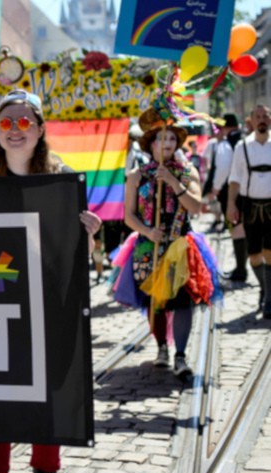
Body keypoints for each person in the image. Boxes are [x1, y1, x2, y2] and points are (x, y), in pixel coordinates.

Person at [0, 89, 101, 473]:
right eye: (6, 123)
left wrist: (89, 234)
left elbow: (75, 255)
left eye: (24, 122)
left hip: (49, 308)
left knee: (48, 403)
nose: (15, 130)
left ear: (41, 129)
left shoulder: (62, 182)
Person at [115, 106, 220, 375]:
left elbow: (195, 207)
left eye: (172, 138)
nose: (168, 143)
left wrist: (173, 181)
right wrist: (148, 231)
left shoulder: (187, 172)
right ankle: (162, 346)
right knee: (155, 300)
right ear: (151, 143)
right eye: (162, 138)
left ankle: (181, 356)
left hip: (181, 245)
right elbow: (128, 216)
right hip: (148, 246)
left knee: (183, 300)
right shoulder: (136, 176)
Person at [228, 104, 271, 317]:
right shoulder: (242, 146)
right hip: (250, 205)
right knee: (254, 255)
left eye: (265, 116)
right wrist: (231, 204)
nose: (262, 119)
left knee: (270, 253)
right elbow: (235, 178)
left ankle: (269, 300)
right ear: (251, 121)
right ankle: (265, 288)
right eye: (258, 116)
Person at [205, 114, 246, 277]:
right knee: (243, 229)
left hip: (231, 192)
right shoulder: (246, 139)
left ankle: (241, 270)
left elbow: (223, 168)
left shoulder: (226, 144)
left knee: (235, 229)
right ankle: (243, 267)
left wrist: (215, 188)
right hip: (250, 192)